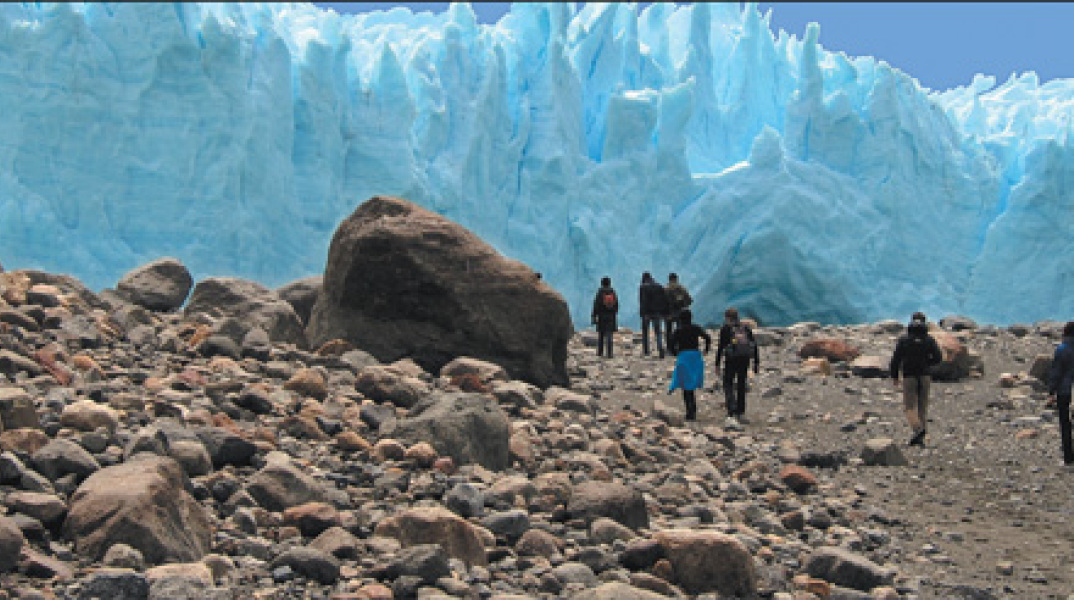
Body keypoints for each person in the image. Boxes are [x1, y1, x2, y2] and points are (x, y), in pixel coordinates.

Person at [889, 311, 943, 447]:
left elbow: (896, 360)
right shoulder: (929, 340)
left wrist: (895, 376)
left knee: (909, 407)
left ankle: (918, 429)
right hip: (925, 376)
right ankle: (922, 437)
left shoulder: (904, 340)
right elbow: (938, 357)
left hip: (909, 376)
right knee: (922, 407)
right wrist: (927, 364)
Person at [715, 307, 759, 422]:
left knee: (728, 383)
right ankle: (741, 411)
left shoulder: (726, 329)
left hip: (731, 359)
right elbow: (754, 345)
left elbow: (720, 347)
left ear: (727, 318)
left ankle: (731, 409)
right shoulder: (745, 328)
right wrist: (756, 362)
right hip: (744, 359)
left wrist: (717, 363)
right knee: (741, 384)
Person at [667, 309, 711, 421]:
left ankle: (690, 411)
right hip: (695, 356)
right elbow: (707, 337)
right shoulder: (696, 328)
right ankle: (693, 409)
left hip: (684, 356)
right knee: (692, 382)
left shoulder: (678, 330)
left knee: (685, 385)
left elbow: (671, 343)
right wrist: (706, 349)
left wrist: (674, 353)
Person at [1047, 321, 1074, 466]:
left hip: (1065, 391)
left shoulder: (1062, 349)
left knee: (1065, 424)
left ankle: (1069, 458)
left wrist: (1052, 390)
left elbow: (1057, 372)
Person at [639, 272, 669, 358]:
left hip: (647, 313)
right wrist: (664, 312)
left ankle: (646, 350)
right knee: (658, 331)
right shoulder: (659, 286)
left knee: (645, 331)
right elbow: (664, 300)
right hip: (657, 312)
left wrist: (642, 313)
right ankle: (660, 348)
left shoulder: (643, 287)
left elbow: (642, 301)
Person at [591, 276, 619, 358]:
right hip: (611, 316)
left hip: (602, 316)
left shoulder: (600, 292)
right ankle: (609, 353)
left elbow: (596, 304)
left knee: (601, 334)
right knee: (609, 334)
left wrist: (594, 315)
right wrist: (613, 312)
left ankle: (600, 352)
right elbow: (616, 304)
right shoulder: (612, 291)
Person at [664, 273, 692, 345]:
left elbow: (661, 302)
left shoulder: (665, 289)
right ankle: (680, 344)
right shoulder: (682, 289)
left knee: (668, 330)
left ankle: (669, 346)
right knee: (680, 330)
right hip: (680, 313)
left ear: (669, 279)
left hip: (668, 313)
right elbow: (689, 300)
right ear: (676, 279)